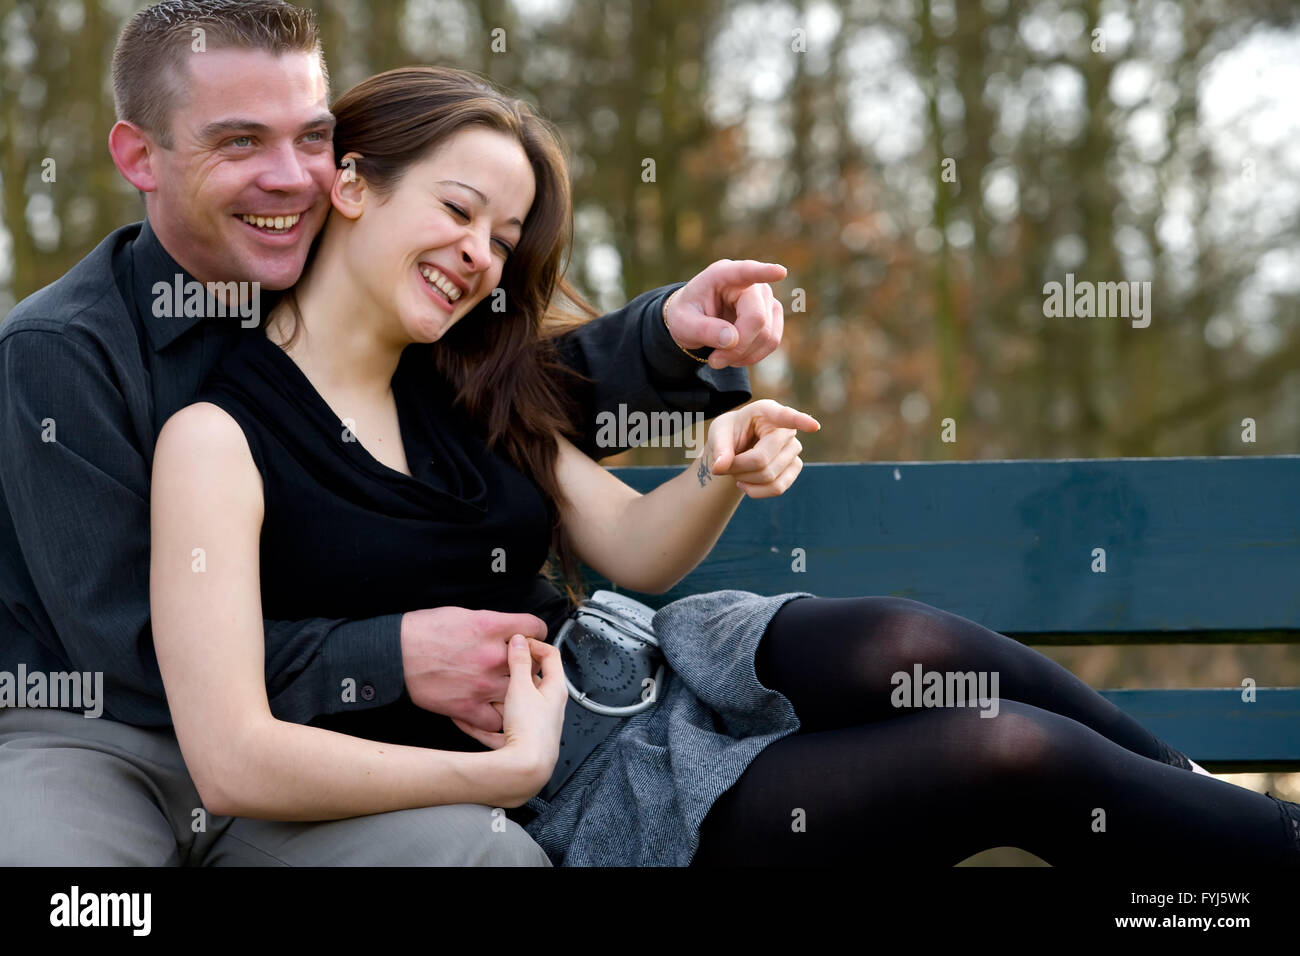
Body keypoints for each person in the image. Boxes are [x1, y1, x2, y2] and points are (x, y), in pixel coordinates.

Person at [150, 62, 1300, 867]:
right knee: (1004, 754)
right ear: (352, 183)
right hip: (581, 795)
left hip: (654, 671)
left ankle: (1203, 809)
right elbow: (234, 758)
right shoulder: (217, 438)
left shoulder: (464, 380)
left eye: (501, 239)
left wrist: (716, 466)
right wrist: (494, 777)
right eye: (458, 211)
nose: (476, 257)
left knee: (913, 641)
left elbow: (631, 548)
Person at [0, 0, 787, 866]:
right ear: (139, 156)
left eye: (310, 138)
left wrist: (670, 333)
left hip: (302, 751)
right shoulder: (60, 354)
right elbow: (131, 650)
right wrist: (391, 653)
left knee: (490, 856)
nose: (291, 177)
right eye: (238, 143)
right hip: (106, 737)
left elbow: (502, 399)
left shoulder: (329, 282)